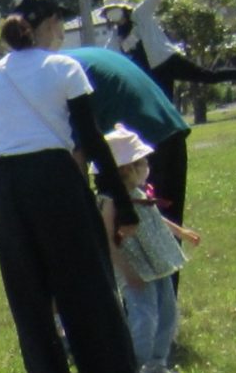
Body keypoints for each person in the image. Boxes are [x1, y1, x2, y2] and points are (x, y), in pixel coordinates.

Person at [0, 0, 161, 373]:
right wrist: (122, 203)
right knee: (89, 285)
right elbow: (91, 139)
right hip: (55, 177)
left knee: (29, 295)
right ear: (50, 23)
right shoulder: (64, 68)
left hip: (6, 186)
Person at [101, 128, 200, 373]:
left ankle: (157, 362)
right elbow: (107, 240)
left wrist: (180, 231)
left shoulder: (139, 193)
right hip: (135, 268)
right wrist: (127, 272)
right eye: (142, 162)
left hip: (157, 262)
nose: (147, 167)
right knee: (143, 316)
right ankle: (136, 367)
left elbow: (154, 217)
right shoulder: (110, 201)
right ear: (127, 168)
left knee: (167, 311)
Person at [72, 40, 194, 235]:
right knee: (165, 233)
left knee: (139, 233)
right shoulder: (75, 58)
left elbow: (77, 155)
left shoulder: (58, 74)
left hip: (136, 145)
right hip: (168, 123)